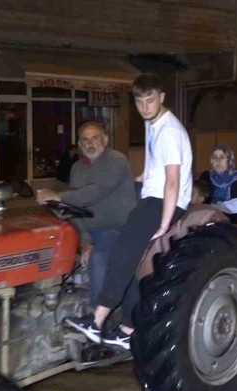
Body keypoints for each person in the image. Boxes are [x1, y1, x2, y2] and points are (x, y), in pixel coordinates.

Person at [64, 73, 193, 350]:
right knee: (133, 263)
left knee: (120, 254)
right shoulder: (153, 124)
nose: (145, 107)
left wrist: (164, 222)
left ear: (161, 98)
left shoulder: (169, 131)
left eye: (150, 100)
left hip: (161, 202)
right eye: (140, 101)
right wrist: (142, 177)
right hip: (154, 196)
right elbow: (156, 164)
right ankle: (128, 328)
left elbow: (173, 180)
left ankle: (96, 322)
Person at [36, 122, 136, 306]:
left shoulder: (116, 160)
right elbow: (74, 208)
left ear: (105, 140)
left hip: (118, 229)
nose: (90, 143)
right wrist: (84, 240)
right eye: (85, 140)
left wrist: (59, 196)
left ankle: (98, 318)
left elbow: (96, 192)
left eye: (95, 138)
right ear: (80, 145)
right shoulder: (77, 168)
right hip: (93, 231)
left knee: (97, 257)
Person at [198, 145, 237, 223]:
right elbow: (200, 201)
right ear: (211, 160)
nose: (218, 161)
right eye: (215, 157)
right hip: (207, 219)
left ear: (229, 160)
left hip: (229, 222)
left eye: (222, 157)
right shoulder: (206, 176)